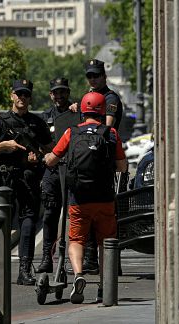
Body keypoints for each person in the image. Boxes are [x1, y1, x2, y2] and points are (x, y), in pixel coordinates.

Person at [44, 92, 127, 304]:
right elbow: (122, 166)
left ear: (82, 110)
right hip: (105, 198)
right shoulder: (111, 133)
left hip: (79, 198)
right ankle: (103, 286)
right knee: (105, 242)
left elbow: (53, 159)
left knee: (76, 240)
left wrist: (46, 158)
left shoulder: (72, 132)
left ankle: (79, 275)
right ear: (101, 112)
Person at [0, 79, 53, 286]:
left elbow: (51, 149)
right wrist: (4, 145)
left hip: (29, 178)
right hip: (5, 179)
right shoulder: (1, 122)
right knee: (2, 222)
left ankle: (24, 269)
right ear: (12, 95)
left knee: (28, 222)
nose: (22, 98)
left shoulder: (37, 123)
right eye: (19, 94)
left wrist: (37, 157)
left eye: (26, 94)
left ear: (30, 97)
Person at [69, 58, 125, 275]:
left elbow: (107, 127)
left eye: (96, 75)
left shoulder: (110, 98)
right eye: (89, 76)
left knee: (106, 220)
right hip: (90, 165)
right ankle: (93, 262)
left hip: (104, 162)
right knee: (92, 217)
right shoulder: (89, 99)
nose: (92, 79)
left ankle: (110, 267)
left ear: (104, 76)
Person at [35, 77, 74, 273]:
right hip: (52, 171)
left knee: (75, 215)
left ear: (68, 93)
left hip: (72, 170)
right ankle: (46, 259)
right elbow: (39, 143)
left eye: (63, 92)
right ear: (51, 95)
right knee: (50, 214)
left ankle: (75, 260)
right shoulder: (44, 117)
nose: (59, 96)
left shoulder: (76, 114)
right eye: (56, 92)